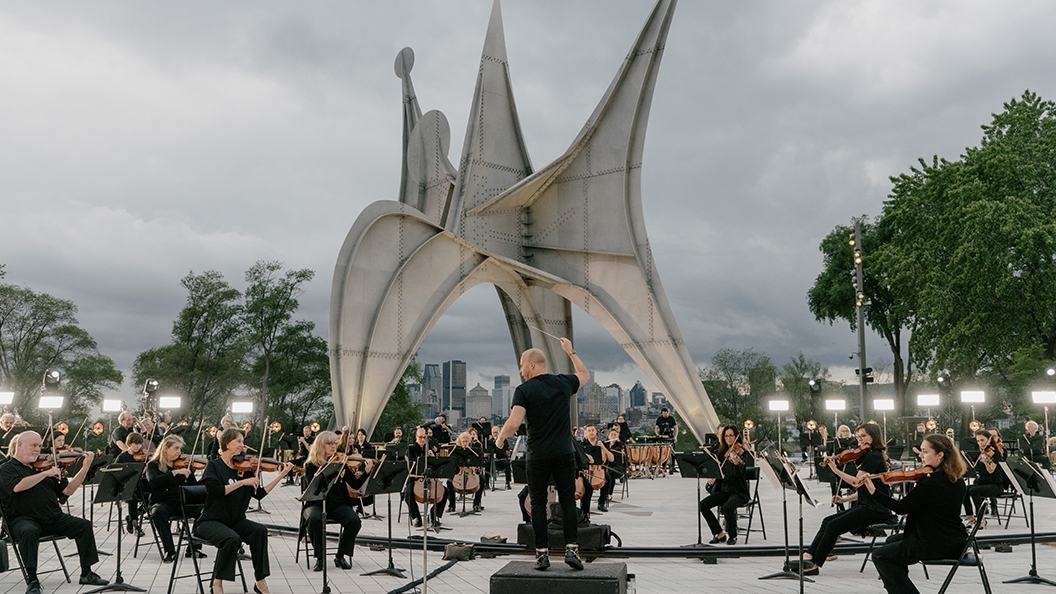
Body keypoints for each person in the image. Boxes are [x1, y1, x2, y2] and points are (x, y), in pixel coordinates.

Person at [496, 337, 591, 571]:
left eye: (521, 364)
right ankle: (572, 550)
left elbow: (513, 423)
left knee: (538, 504)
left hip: (538, 455)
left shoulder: (524, 390)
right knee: (567, 501)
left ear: (531, 364)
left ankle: (542, 555)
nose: (520, 369)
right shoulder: (563, 383)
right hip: (564, 453)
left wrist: (499, 440)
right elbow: (585, 375)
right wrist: (570, 352)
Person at [0, 431, 108, 594]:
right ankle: (33, 580)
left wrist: (85, 468)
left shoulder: (45, 466)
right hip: (21, 519)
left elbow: (68, 490)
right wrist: (45, 474)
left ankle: (87, 573)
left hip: (52, 518)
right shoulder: (7, 468)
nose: (37, 449)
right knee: (30, 531)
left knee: (83, 525)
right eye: (33, 445)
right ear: (19, 445)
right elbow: (17, 486)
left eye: (39, 446)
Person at [196, 427, 294, 594]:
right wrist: (241, 483)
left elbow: (259, 494)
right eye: (239, 442)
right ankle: (216, 584)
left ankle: (260, 582)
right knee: (232, 539)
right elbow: (214, 492)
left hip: (235, 520)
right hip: (211, 521)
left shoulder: (245, 468)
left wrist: (281, 475)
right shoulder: (214, 466)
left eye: (243, 442)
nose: (243, 446)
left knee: (260, 531)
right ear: (227, 444)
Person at [868, 434, 968, 594]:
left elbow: (901, 508)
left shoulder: (930, 483)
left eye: (925, 451)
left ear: (940, 455)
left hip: (936, 542)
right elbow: (936, 507)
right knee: (891, 540)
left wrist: (874, 492)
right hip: (954, 538)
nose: (920, 455)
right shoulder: (955, 480)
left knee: (880, 555)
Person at [790, 423, 893, 575]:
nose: (860, 440)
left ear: (874, 437)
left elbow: (856, 482)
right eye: (858, 437)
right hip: (869, 504)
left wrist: (835, 469)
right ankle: (808, 555)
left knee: (834, 526)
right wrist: (844, 500)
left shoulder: (873, 456)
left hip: (877, 509)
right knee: (827, 521)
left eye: (864, 436)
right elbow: (866, 489)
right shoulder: (868, 455)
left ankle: (815, 564)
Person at [301, 431, 363, 572]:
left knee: (354, 521)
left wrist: (367, 471)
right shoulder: (311, 465)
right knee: (314, 518)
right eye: (329, 444)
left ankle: (340, 556)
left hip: (337, 505)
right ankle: (320, 558)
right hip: (316, 503)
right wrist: (331, 473)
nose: (333, 446)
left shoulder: (340, 462)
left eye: (335, 443)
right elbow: (314, 487)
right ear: (321, 446)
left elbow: (356, 484)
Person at [146, 434, 204, 563]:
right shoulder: (153, 465)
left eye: (180, 449)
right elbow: (154, 481)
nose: (179, 452)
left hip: (181, 502)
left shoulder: (183, 465)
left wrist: (194, 474)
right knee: (158, 512)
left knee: (205, 510)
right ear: (166, 448)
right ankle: (170, 550)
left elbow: (193, 488)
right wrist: (173, 473)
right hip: (162, 503)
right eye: (176, 448)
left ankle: (193, 547)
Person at [698, 425, 750, 545]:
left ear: (736, 436)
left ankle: (733, 536)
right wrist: (713, 476)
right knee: (703, 505)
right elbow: (719, 470)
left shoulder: (742, 453)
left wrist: (737, 464)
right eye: (726, 436)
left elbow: (740, 476)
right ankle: (719, 533)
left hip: (738, 491)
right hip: (724, 490)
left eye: (731, 435)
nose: (729, 438)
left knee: (727, 507)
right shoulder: (722, 453)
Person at [404, 426, 446, 528]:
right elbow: (411, 467)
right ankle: (416, 517)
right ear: (416, 437)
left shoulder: (430, 449)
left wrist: (433, 458)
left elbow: (436, 467)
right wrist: (422, 459)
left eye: (424, 437)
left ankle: (434, 516)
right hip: (415, 479)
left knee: (445, 492)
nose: (422, 439)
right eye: (420, 437)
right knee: (408, 493)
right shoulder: (410, 450)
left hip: (430, 479)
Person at [963, 428, 1004, 529]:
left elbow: (991, 471)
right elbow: (973, 468)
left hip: (995, 485)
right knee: (963, 489)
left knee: (974, 490)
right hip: (983, 483)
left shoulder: (996, 453)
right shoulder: (980, 453)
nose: (980, 443)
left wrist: (986, 461)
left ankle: (982, 519)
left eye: (982, 440)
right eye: (978, 441)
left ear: (989, 440)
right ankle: (971, 518)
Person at [114, 432, 147, 537]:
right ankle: (136, 525)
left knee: (151, 497)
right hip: (125, 487)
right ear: (129, 443)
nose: (138, 446)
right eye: (135, 443)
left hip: (139, 485)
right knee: (133, 497)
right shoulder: (122, 457)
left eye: (139, 444)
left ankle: (131, 517)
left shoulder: (142, 456)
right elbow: (116, 474)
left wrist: (146, 468)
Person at [446, 432, 486, 512]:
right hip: (458, 471)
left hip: (471, 471)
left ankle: (476, 504)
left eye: (466, 441)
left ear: (469, 441)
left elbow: (480, 462)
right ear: (460, 441)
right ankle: (452, 505)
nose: (465, 443)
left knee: (482, 480)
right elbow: (450, 463)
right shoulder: (455, 450)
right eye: (463, 441)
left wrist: (477, 466)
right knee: (449, 482)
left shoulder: (474, 450)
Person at [580, 423, 613, 515]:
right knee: (587, 486)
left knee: (608, 479)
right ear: (585, 433)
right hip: (586, 470)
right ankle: (585, 507)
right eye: (589, 431)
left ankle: (601, 502)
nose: (591, 432)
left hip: (598, 469)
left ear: (596, 432)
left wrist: (602, 447)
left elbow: (611, 458)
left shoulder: (601, 444)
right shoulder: (581, 445)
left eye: (593, 430)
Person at [599, 426, 625, 509]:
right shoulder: (605, 444)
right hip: (607, 467)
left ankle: (609, 494)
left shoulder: (620, 445)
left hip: (618, 467)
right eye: (612, 434)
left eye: (615, 434)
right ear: (608, 436)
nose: (613, 436)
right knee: (607, 473)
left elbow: (614, 459)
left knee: (610, 474)